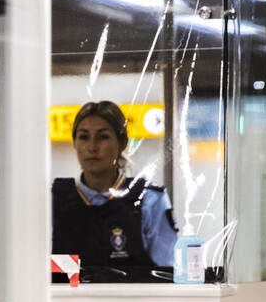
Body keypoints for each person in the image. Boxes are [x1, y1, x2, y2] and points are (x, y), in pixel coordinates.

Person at [52, 100, 177, 280]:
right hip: (66, 299)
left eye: (103, 137)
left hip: (137, 298)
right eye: (83, 137)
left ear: (122, 143)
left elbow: (169, 274)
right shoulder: (53, 200)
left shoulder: (148, 199)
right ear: (74, 143)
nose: (92, 147)